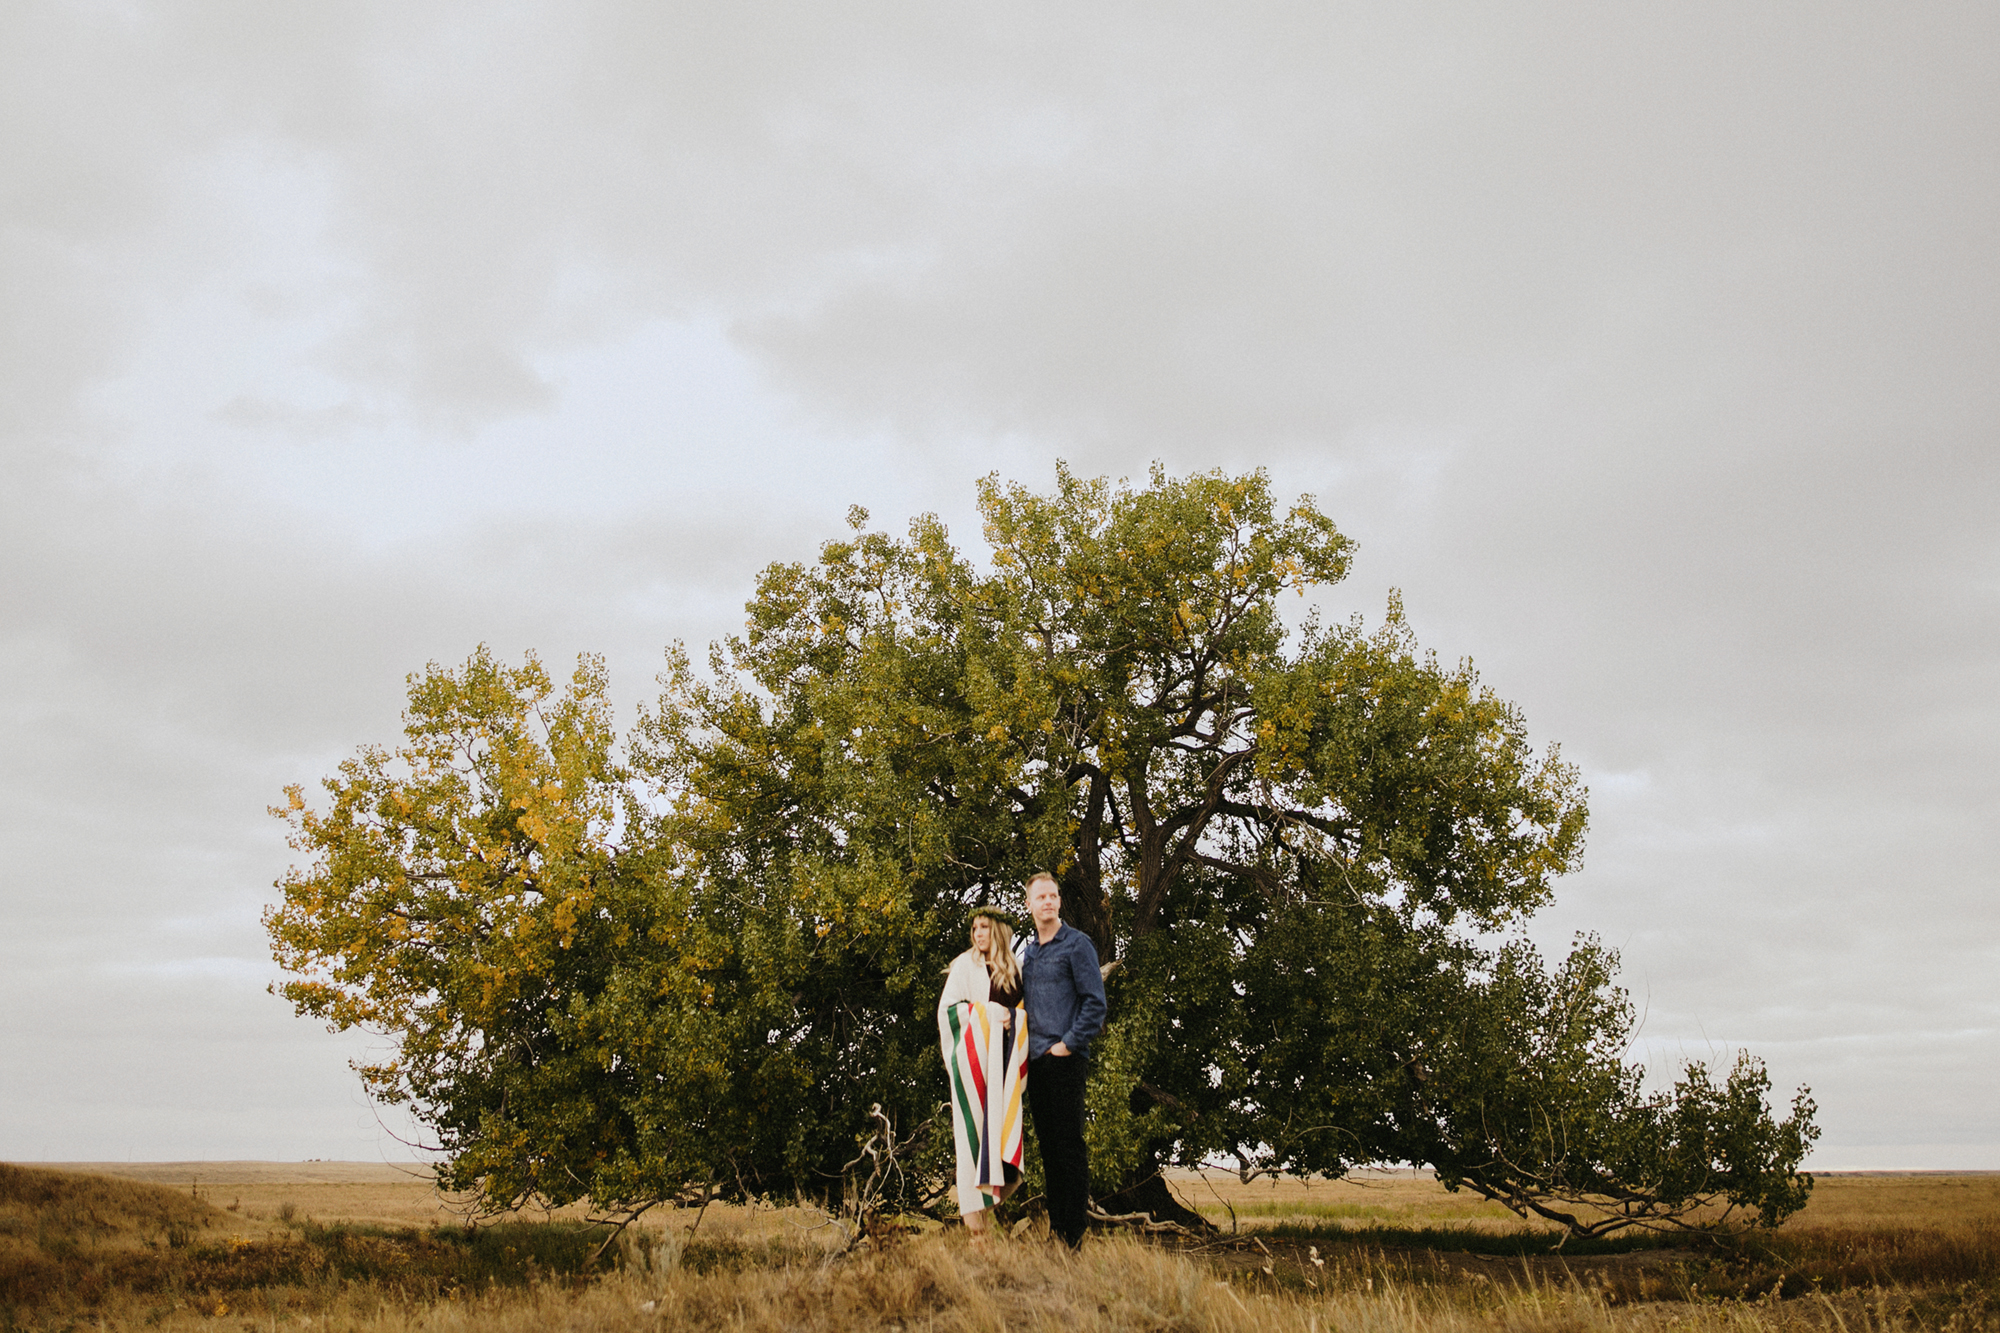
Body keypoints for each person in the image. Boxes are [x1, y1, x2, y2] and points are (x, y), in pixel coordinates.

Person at [1019, 871, 1106, 1249]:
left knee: (1069, 1144)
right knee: (1049, 1147)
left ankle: (1074, 1233)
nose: (1049, 902)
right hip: (1035, 1062)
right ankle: (1056, 1229)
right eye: (1041, 897)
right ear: (1029, 905)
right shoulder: (1029, 952)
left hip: (1065, 1059)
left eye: (1053, 895)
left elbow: (1094, 1003)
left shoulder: (1077, 944)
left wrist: (1068, 1044)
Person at [937, 907, 1028, 1238]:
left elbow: (1023, 1013)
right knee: (972, 1144)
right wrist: (987, 1013)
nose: (978, 934)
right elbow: (947, 1012)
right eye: (974, 928)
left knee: (1004, 1148)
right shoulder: (965, 965)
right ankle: (976, 1232)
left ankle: (983, 1220)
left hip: (1004, 1068)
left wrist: (1014, 1020)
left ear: (999, 931)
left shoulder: (1015, 969)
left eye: (984, 928)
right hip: (974, 1068)